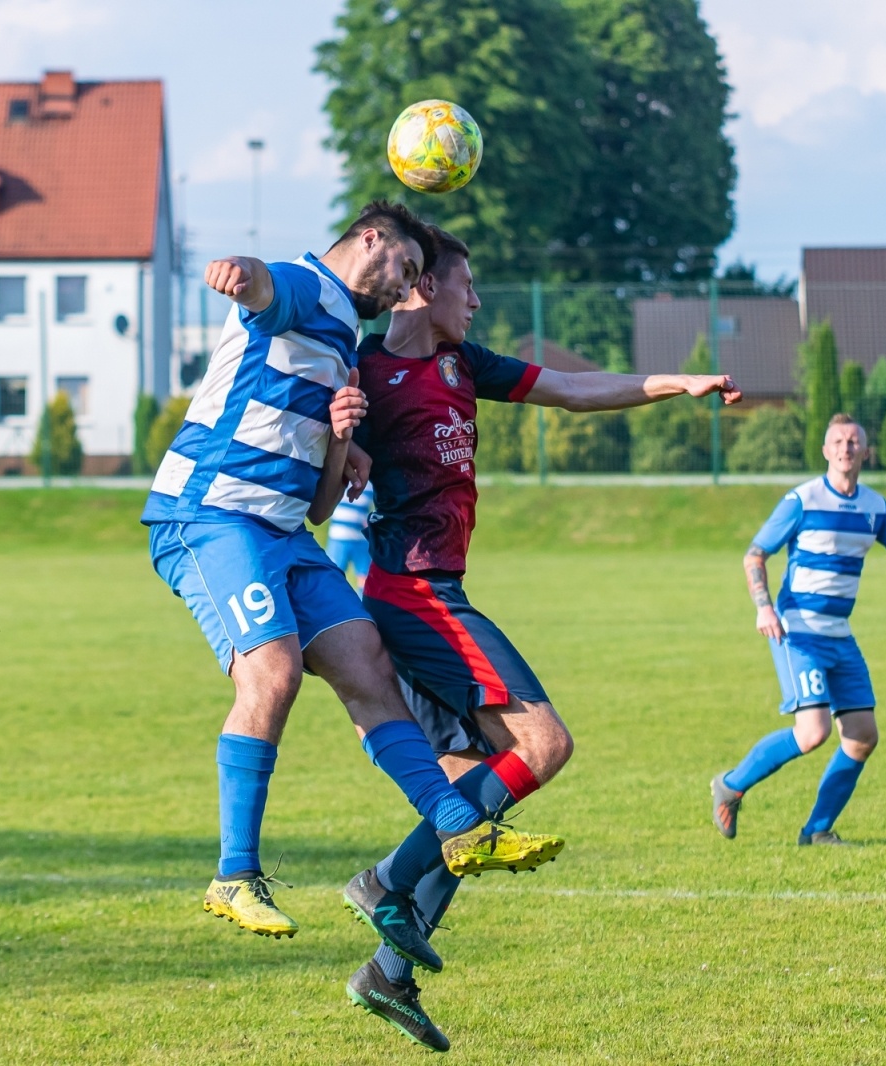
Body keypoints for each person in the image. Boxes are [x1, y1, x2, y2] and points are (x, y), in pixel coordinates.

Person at [341, 226, 741, 1051]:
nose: (478, 300)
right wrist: (339, 440)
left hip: (426, 594)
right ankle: (384, 878)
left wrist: (678, 383)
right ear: (421, 287)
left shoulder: (463, 365)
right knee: (544, 743)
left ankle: (389, 971)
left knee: (467, 791)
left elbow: (573, 388)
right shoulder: (365, 369)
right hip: (414, 594)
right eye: (468, 285)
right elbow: (311, 448)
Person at [142, 202, 552, 943]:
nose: (404, 290)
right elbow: (267, 290)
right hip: (209, 514)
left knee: (368, 663)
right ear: (370, 240)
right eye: (404, 270)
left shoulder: (346, 339)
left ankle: (460, 824)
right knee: (273, 674)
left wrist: (342, 445)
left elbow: (327, 507)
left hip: (284, 531)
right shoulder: (309, 286)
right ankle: (234, 876)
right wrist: (239, 273)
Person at [710, 414, 886, 847]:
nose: (846, 447)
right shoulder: (802, 501)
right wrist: (764, 608)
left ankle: (817, 830)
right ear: (825, 451)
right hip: (797, 632)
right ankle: (729, 785)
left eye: (854, 441)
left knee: (862, 736)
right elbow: (754, 556)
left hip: (839, 635)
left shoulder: (875, 507)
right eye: (838, 441)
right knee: (814, 732)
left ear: (865, 451)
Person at [325, 480, 375, 583]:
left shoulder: (371, 484)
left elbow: (381, 506)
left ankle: (362, 599)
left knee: (365, 578)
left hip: (361, 537)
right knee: (333, 576)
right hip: (339, 536)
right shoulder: (342, 477)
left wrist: (371, 520)